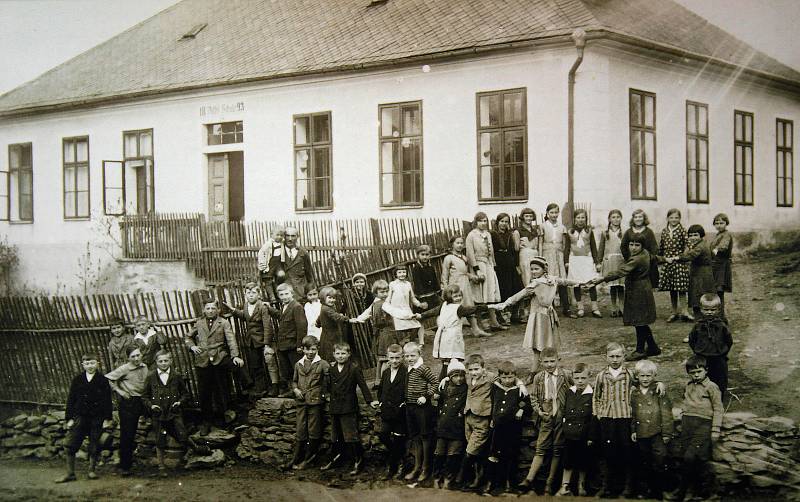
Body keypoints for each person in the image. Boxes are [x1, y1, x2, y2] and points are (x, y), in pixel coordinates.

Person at [591, 342, 664, 498]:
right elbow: (596, 397)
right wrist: (598, 413)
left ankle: (628, 487)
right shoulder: (601, 376)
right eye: (612, 356)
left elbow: (645, 382)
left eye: (618, 356)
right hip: (607, 418)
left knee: (627, 452)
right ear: (606, 357)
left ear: (624, 357)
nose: (615, 360)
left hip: (625, 417)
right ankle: (607, 486)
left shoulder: (629, 374)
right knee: (608, 453)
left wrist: (659, 383)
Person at [489, 257, 580, 373]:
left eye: (536, 269)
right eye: (531, 269)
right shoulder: (552, 280)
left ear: (544, 269)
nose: (533, 272)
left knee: (537, 346)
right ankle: (545, 367)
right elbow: (566, 282)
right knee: (547, 343)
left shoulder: (536, 283)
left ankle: (535, 372)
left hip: (539, 316)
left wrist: (504, 304)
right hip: (547, 315)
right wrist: (580, 282)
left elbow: (518, 296)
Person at [588, 231, 661, 360]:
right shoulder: (645, 253)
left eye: (637, 245)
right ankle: (652, 347)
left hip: (638, 291)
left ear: (642, 246)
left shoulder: (637, 258)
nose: (633, 247)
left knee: (639, 322)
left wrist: (603, 278)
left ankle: (640, 350)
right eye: (631, 244)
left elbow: (622, 271)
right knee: (642, 322)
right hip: (642, 289)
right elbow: (657, 258)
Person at [185, 299, 247, 432]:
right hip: (202, 360)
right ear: (204, 310)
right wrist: (192, 347)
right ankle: (206, 421)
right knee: (204, 392)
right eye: (208, 308)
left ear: (218, 310)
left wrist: (235, 355)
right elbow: (188, 337)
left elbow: (231, 339)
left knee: (221, 389)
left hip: (218, 358)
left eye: (213, 308)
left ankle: (223, 419)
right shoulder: (199, 323)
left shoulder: (223, 322)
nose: (210, 311)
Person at [141, 350, 207, 477]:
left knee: (182, 435)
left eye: (166, 360)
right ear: (156, 362)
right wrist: (151, 405)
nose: (164, 363)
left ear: (171, 361)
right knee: (160, 439)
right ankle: (161, 466)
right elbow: (144, 396)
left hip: (174, 412)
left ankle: (185, 460)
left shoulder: (176, 376)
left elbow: (185, 394)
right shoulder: (151, 376)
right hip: (158, 414)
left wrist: (179, 403)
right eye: (160, 361)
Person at [518, 347, 572, 495]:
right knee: (541, 447)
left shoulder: (566, 375)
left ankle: (550, 481)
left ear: (558, 360)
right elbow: (533, 397)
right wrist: (539, 411)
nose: (549, 365)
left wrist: (569, 412)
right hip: (546, 414)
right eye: (546, 362)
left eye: (552, 361)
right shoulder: (539, 378)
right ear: (541, 362)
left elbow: (574, 392)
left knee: (557, 449)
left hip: (561, 414)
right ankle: (529, 479)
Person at [671, 355, 723, 501]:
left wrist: (715, 429)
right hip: (688, 424)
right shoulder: (688, 385)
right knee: (687, 458)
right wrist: (682, 415)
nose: (696, 375)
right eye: (692, 372)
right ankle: (694, 492)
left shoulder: (712, 387)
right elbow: (686, 402)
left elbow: (719, 409)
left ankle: (683, 492)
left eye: (699, 371)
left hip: (704, 424)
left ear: (706, 370)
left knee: (691, 457)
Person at [56, 352, 113, 483]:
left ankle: (91, 471)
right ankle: (70, 473)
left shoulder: (102, 380)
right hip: (80, 417)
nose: (90, 366)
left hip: (96, 418)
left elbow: (107, 401)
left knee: (94, 444)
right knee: (70, 444)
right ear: (82, 365)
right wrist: (69, 418)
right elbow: (71, 400)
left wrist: (107, 418)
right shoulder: (77, 380)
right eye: (87, 363)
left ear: (98, 364)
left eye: (92, 363)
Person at [352, 279, 415, 388]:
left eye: (386, 291)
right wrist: (409, 316)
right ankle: (386, 381)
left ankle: (378, 382)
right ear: (376, 293)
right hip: (387, 334)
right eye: (382, 292)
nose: (385, 294)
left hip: (380, 334)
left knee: (381, 358)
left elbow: (366, 314)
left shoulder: (375, 303)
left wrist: (358, 319)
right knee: (387, 359)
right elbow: (395, 312)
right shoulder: (383, 304)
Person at [321, 342, 373, 474]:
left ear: (349, 354)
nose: (340, 356)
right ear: (333, 355)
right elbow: (328, 386)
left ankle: (358, 461)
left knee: (351, 435)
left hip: (348, 406)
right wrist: (326, 396)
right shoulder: (332, 370)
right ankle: (336, 459)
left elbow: (363, 385)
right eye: (337, 353)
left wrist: (369, 401)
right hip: (335, 406)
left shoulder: (353, 368)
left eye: (343, 353)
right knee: (335, 435)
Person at [484, 361, 530, 495]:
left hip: (512, 428)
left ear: (515, 376)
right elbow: (492, 403)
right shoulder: (495, 387)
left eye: (510, 377)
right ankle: (490, 482)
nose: (507, 380)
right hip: (497, 428)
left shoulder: (519, 389)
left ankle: (510, 483)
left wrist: (521, 409)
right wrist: (492, 418)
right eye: (504, 377)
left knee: (511, 454)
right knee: (493, 454)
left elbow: (527, 402)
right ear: (499, 377)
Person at [630, 359, 673, 500]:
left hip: (657, 433)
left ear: (654, 376)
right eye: (642, 376)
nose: (645, 379)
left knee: (659, 461)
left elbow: (666, 412)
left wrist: (667, 433)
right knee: (643, 462)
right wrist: (633, 430)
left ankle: (659, 490)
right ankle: (644, 490)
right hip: (642, 433)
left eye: (649, 376)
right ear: (637, 376)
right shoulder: (634, 393)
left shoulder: (659, 391)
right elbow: (633, 413)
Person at [286, 335, 330, 470]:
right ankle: (295, 458)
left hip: (315, 401)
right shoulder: (298, 364)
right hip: (301, 401)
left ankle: (309, 459)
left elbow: (328, 382)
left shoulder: (322, 364)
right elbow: (293, 380)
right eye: (308, 350)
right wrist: (295, 389)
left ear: (317, 349)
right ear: (303, 349)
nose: (311, 352)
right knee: (300, 430)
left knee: (313, 430)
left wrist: (324, 395)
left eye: (313, 349)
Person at [224, 282, 273, 398]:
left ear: (258, 294)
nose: (251, 295)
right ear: (245, 294)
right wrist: (234, 311)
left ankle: (273, 387)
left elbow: (267, 326)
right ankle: (261, 389)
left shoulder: (262, 307)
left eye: (253, 293)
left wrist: (266, 344)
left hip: (262, 340)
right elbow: (246, 316)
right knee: (256, 366)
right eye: (248, 293)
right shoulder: (246, 305)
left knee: (269, 365)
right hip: (251, 341)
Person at [105, 345, 148, 476]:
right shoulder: (124, 368)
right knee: (128, 434)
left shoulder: (144, 366)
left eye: (138, 355)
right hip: (129, 403)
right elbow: (107, 378)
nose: (136, 358)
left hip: (143, 401)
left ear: (141, 355)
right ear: (128, 358)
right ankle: (125, 466)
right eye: (133, 356)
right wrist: (120, 391)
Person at [370, 344, 409, 480]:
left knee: (399, 440)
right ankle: (400, 458)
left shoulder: (406, 372)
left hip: (400, 413)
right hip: (387, 412)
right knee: (383, 435)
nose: (394, 361)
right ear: (387, 358)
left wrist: (403, 404)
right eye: (392, 358)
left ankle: (396, 466)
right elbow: (382, 390)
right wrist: (380, 402)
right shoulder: (386, 371)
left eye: (397, 358)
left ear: (402, 357)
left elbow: (407, 392)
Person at [555, 362, 594, 497]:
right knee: (567, 461)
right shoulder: (569, 392)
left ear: (589, 377)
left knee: (583, 460)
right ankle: (565, 485)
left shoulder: (592, 393)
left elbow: (593, 417)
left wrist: (590, 436)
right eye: (577, 378)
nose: (580, 381)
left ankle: (581, 485)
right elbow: (565, 411)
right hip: (569, 434)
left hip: (584, 433)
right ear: (573, 377)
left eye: (583, 378)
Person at [402, 341, 439, 482]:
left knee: (425, 437)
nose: (410, 358)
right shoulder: (408, 369)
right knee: (415, 437)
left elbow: (435, 382)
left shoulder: (423, 368)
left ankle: (426, 468)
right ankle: (416, 468)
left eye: (412, 355)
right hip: (410, 407)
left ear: (419, 354)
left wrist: (426, 396)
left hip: (422, 409)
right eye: (407, 356)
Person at [431, 284, 483, 380]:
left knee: (446, 362)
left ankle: (443, 382)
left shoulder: (444, 306)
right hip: (453, 338)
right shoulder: (458, 308)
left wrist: (421, 316)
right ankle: (447, 382)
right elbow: (472, 309)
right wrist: (489, 307)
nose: (458, 298)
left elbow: (432, 312)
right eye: (455, 296)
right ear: (449, 297)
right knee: (453, 362)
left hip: (444, 338)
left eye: (459, 295)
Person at [441, 236, 489, 336]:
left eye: (461, 243)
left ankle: (476, 329)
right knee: (455, 309)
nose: (460, 245)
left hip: (465, 284)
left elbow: (464, 272)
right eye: (457, 243)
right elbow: (444, 275)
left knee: (468, 306)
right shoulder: (448, 258)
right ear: (452, 244)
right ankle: (452, 332)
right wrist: (445, 289)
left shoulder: (464, 257)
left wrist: (473, 277)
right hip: (455, 285)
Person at [688, 293, 733, 400]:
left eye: (713, 310)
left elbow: (728, 340)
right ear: (701, 309)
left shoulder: (722, 325)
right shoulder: (698, 325)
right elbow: (692, 339)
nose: (709, 312)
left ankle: (718, 399)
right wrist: (698, 351)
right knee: (701, 377)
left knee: (720, 378)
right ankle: (703, 398)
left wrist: (723, 352)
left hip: (718, 357)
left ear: (718, 310)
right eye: (706, 309)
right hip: (702, 357)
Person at [465, 212, 505, 331]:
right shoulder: (471, 236)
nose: (483, 223)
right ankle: (479, 323)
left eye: (485, 221)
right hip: (478, 265)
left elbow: (491, 251)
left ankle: (494, 321)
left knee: (491, 294)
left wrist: (493, 265)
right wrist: (476, 270)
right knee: (480, 295)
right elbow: (470, 253)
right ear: (476, 222)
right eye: (481, 221)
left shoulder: (487, 234)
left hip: (488, 265)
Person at [432, 359, 468, 490]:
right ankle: (436, 478)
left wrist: (519, 383)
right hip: (443, 426)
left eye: (461, 376)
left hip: (457, 428)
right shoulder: (444, 387)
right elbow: (436, 395)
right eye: (455, 376)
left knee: (452, 456)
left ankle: (448, 479)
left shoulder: (467, 387)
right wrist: (444, 381)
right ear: (450, 377)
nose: (459, 379)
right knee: (439, 454)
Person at [668, 224, 716, 319]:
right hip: (699, 272)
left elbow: (691, 255)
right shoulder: (699, 244)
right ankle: (702, 315)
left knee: (700, 293)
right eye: (690, 235)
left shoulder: (700, 246)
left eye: (695, 235)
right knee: (698, 293)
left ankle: (703, 317)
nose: (693, 238)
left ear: (701, 235)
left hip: (702, 274)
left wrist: (677, 257)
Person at [270, 283, 308, 397]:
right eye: (281, 295)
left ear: (292, 293)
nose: (284, 296)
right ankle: (292, 391)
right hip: (283, 345)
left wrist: (300, 345)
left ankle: (301, 391)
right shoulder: (285, 306)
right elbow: (282, 316)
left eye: (287, 294)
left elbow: (301, 327)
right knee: (286, 370)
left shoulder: (296, 307)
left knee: (296, 368)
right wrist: (269, 308)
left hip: (292, 345)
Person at [564, 208, 601, 318]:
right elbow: (566, 248)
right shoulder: (570, 231)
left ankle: (595, 308)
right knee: (577, 284)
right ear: (575, 219)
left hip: (587, 259)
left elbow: (594, 247)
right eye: (578, 217)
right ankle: (580, 308)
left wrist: (596, 261)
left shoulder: (589, 231)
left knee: (591, 283)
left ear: (586, 219)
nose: (580, 220)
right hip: (574, 260)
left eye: (583, 217)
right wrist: (566, 261)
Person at [659, 209, 692, 322]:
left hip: (679, 262)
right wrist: (661, 259)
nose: (674, 220)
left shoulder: (683, 231)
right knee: (672, 288)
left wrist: (683, 256)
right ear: (667, 218)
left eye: (676, 218)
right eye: (671, 217)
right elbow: (661, 247)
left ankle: (685, 312)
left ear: (679, 219)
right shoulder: (664, 231)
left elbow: (689, 245)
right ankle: (674, 312)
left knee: (681, 287)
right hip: (668, 262)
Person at [491, 213, 523, 324]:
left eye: (506, 222)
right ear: (497, 222)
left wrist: (516, 265)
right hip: (499, 265)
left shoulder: (510, 234)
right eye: (502, 221)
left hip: (510, 263)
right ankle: (501, 316)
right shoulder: (492, 234)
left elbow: (515, 251)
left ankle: (515, 314)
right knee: (502, 290)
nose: (504, 224)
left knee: (518, 289)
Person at [541, 203, 571, 316]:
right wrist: (541, 257)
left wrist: (563, 256)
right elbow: (540, 243)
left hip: (559, 255)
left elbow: (564, 244)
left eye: (556, 212)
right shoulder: (543, 226)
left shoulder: (562, 227)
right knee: (550, 280)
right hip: (547, 254)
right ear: (547, 214)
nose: (554, 215)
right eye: (551, 212)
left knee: (561, 280)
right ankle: (550, 308)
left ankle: (566, 308)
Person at [621, 208, 660, 293]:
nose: (638, 219)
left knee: (646, 286)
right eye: (636, 217)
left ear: (644, 218)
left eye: (640, 217)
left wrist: (649, 258)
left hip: (646, 263)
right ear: (633, 219)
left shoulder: (649, 232)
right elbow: (623, 247)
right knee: (633, 285)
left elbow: (654, 248)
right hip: (633, 263)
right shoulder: (628, 232)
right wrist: (629, 258)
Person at [386, 263, 426, 346]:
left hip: (406, 310)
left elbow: (412, 298)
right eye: (399, 272)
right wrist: (388, 308)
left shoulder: (408, 284)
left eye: (404, 272)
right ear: (395, 274)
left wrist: (419, 304)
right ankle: (400, 345)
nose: (402, 274)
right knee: (398, 329)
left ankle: (410, 343)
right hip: (396, 310)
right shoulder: (392, 284)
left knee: (416, 326)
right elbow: (388, 298)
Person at [598, 209, 625, 318]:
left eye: (618, 217)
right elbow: (601, 248)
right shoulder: (605, 233)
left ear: (621, 218)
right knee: (613, 285)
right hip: (609, 260)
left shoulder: (624, 232)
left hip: (620, 260)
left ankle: (622, 307)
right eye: (613, 217)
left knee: (621, 286)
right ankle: (614, 307)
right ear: (609, 219)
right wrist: (598, 262)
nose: (616, 219)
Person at [316, 286, 349, 362]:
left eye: (333, 298)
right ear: (323, 298)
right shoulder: (326, 308)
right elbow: (336, 317)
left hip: (332, 333)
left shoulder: (327, 307)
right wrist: (347, 319)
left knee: (335, 350)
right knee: (331, 352)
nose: (332, 300)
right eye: (329, 298)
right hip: (330, 335)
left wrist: (318, 323)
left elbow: (320, 316)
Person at [282, 227, 316, 301]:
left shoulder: (303, 253)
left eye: (293, 236)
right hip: (285, 294)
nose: (290, 239)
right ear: (284, 237)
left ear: (297, 237)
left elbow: (309, 275)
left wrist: (310, 291)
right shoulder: (278, 252)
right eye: (287, 235)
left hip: (300, 294)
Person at [709, 213, 733, 318]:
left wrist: (716, 249)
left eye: (721, 223)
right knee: (716, 290)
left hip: (722, 266)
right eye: (717, 223)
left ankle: (721, 316)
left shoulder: (726, 235)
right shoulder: (718, 234)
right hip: (716, 265)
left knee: (719, 291)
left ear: (726, 223)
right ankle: (717, 314)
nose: (719, 225)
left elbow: (724, 246)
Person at [256, 225, 286, 303]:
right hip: (269, 264)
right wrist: (262, 264)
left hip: (278, 264)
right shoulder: (268, 245)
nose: (279, 237)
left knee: (281, 275)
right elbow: (261, 254)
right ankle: (272, 296)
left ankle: (277, 291)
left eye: (281, 235)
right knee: (268, 280)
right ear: (271, 235)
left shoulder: (283, 243)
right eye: (277, 235)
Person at [513, 207, 541, 288]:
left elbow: (538, 245)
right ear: (522, 217)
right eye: (526, 216)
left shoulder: (535, 231)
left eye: (530, 216)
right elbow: (516, 249)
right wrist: (517, 265)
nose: (529, 218)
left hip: (535, 256)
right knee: (527, 278)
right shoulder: (518, 231)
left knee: (536, 278)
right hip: (524, 257)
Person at [410, 244, 442, 315]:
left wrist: (440, 293)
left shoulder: (431, 268)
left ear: (430, 255)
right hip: (423, 297)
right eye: (422, 254)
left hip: (433, 296)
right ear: (418, 255)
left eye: (427, 254)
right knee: (423, 316)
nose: (425, 257)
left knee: (437, 313)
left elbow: (435, 282)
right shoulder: (416, 269)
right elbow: (418, 285)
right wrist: (423, 301)